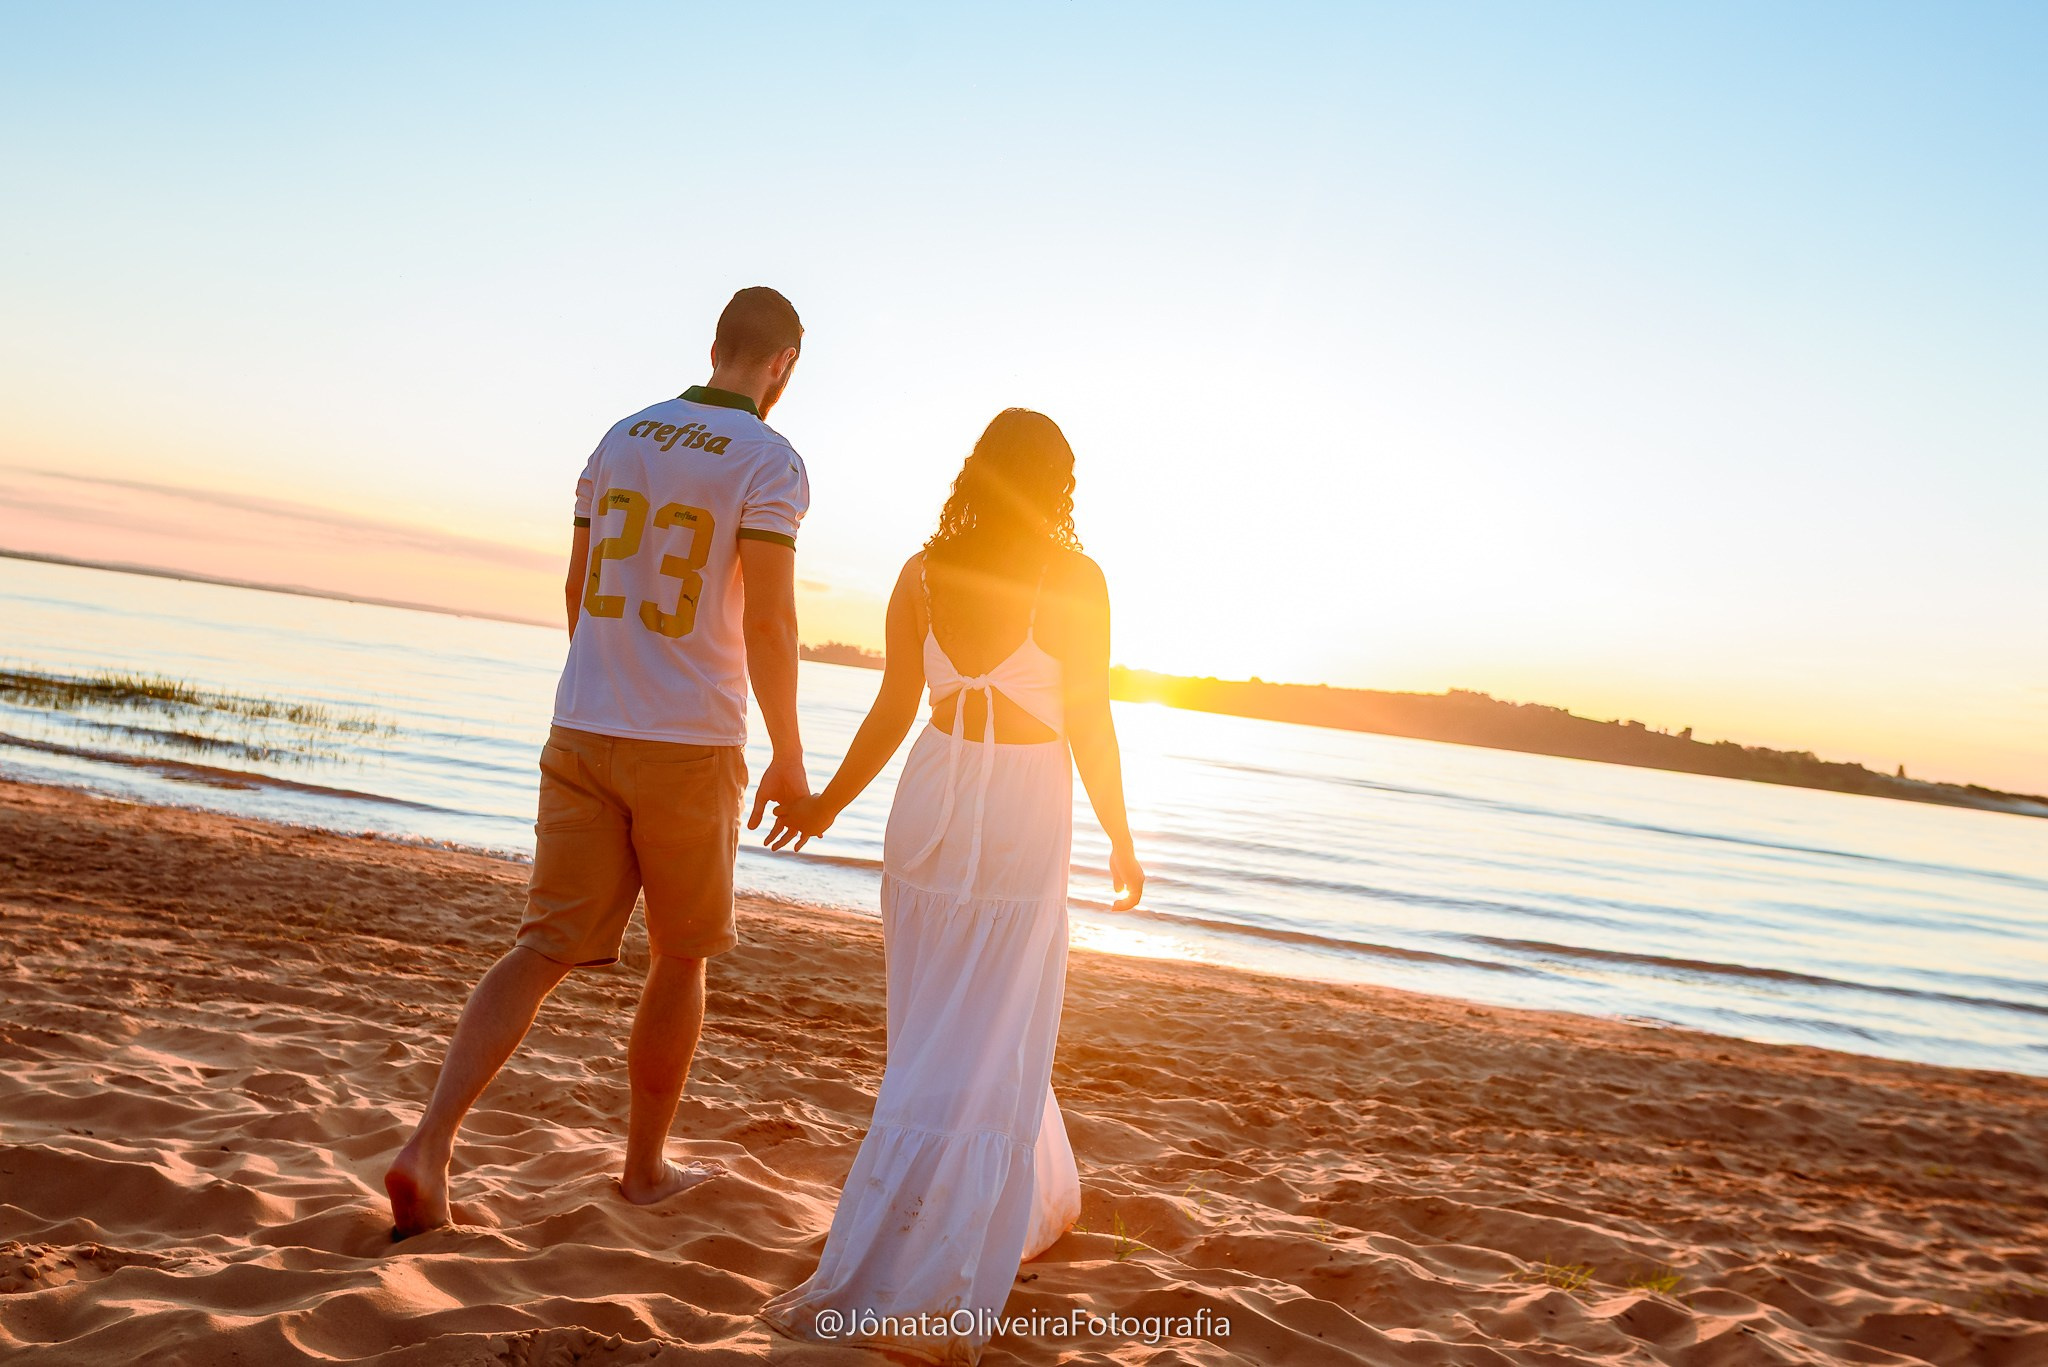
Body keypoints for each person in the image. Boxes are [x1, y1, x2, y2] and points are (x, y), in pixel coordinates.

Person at [384, 287, 812, 1237]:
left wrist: (607, 682)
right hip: (689, 740)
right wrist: (789, 751)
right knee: (681, 954)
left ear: (715, 344)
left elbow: (578, 585)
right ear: (782, 363)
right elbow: (772, 621)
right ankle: (645, 1168)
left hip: (582, 724)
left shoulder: (620, 437)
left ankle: (429, 1144)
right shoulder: (769, 459)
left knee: (540, 946)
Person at [758, 408, 1144, 1363]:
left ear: (977, 472)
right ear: (1056, 486)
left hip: (928, 810)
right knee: (994, 1035)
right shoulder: (1075, 580)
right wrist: (1120, 835)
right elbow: (1091, 721)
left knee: (932, 1035)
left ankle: (961, 1221)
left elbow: (897, 707)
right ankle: (932, 1273)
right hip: (1017, 819)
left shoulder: (921, 573)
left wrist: (828, 804)